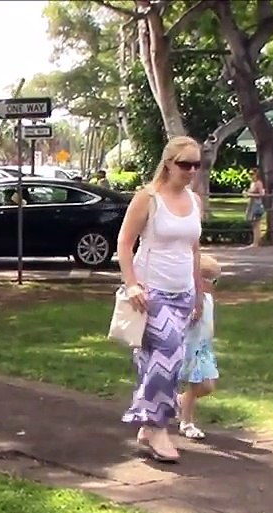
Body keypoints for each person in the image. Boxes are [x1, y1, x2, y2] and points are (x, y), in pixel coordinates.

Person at [114, 135, 206, 464]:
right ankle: (158, 426)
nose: (191, 170)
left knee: (160, 361)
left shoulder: (195, 200)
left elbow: (194, 250)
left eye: (196, 164)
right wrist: (132, 285)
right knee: (167, 355)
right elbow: (124, 244)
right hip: (151, 293)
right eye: (185, 164)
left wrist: (197, 294)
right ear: (168, 163)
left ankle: (147, 425)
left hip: (183, 293)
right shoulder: (148, 198)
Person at [176, 254, 222, 440]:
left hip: (203, 348)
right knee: (197, 385)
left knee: (207, 387)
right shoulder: (191, 300)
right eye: (214, 281)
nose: (215, 285)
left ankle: (181, 400)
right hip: (191, 349)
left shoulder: (208, 299)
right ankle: (186, 423)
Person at [243, 167, 265, 247]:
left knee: (256, 223)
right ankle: (256, 241)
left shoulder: (258, 183)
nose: (251, 176)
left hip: (256, 204)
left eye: (252, 174)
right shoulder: (252, 183)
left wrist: (250, 194)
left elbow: (261, 194)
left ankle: (256, 242)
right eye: (250, 174)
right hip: (252, 203)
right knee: (253, 223)